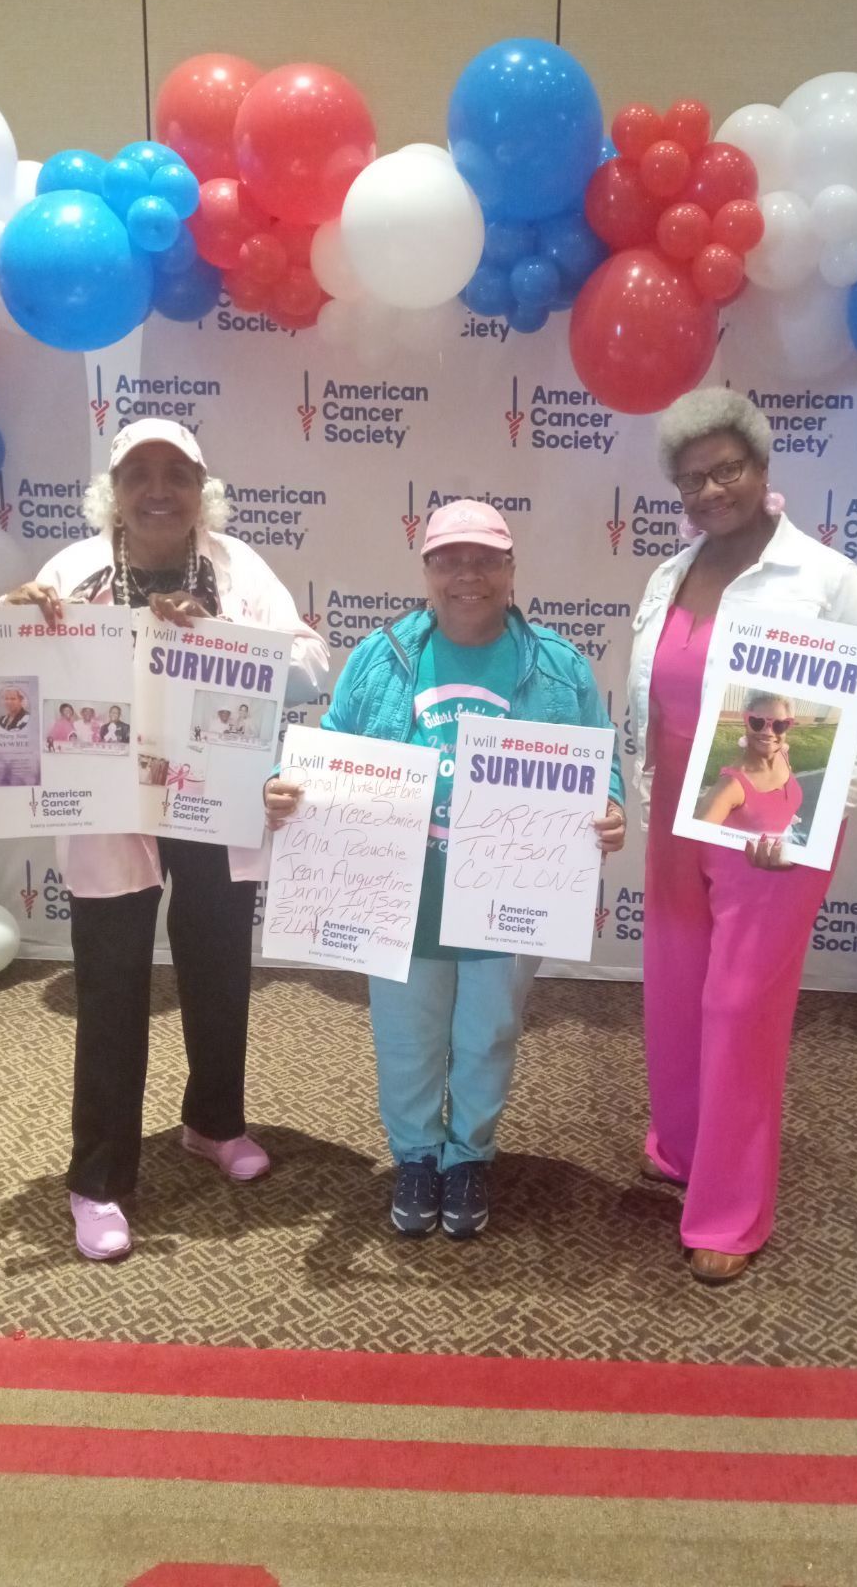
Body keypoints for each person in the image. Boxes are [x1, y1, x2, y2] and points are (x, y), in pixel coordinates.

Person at [2, 417, 328, 1262]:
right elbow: (0, 691)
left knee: (218, 964)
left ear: (202, 489)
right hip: (107, 803)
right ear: (111, 491)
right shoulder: (70, 572)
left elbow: (308, 666)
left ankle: (214, 1123)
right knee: (111, 985)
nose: (158, 490)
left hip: (213, 796)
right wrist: (11, 633)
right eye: (138, 473)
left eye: (176, 474)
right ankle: (98, 1180)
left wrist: (216, 643)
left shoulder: (235, 566)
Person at [265, 499, 625, 1240]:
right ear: (426, 568)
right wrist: (291, 787)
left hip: (508, 894)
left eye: (486, 558)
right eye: (449, 558)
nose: (468, 574)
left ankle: (470, 1155)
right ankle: (418, 1155)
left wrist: (610, 808)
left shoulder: (558, 667)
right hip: (400, 892)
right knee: (406, 1034)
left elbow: (601, 761)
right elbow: (334, 745)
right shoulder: (383, 655)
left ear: (511, 568)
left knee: (489, 1031)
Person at [627, 388, 857, 1285]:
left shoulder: (826, 579)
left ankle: (731, 1214)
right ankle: (683, 1145)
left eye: (726, 469)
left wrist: (818, 819)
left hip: (771, 828)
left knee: (740, 1008)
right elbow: (652, 701)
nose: (710, 490)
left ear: (762, 466)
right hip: (675, 808)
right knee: (672, 987)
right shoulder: (672, 574)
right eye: (691, 479)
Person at [696, 691, 802, 836]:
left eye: (779, 725)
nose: (768, 732)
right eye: (757, 723)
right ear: (746, 722)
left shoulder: (782, 754)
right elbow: (696, 836)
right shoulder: (731, 786)